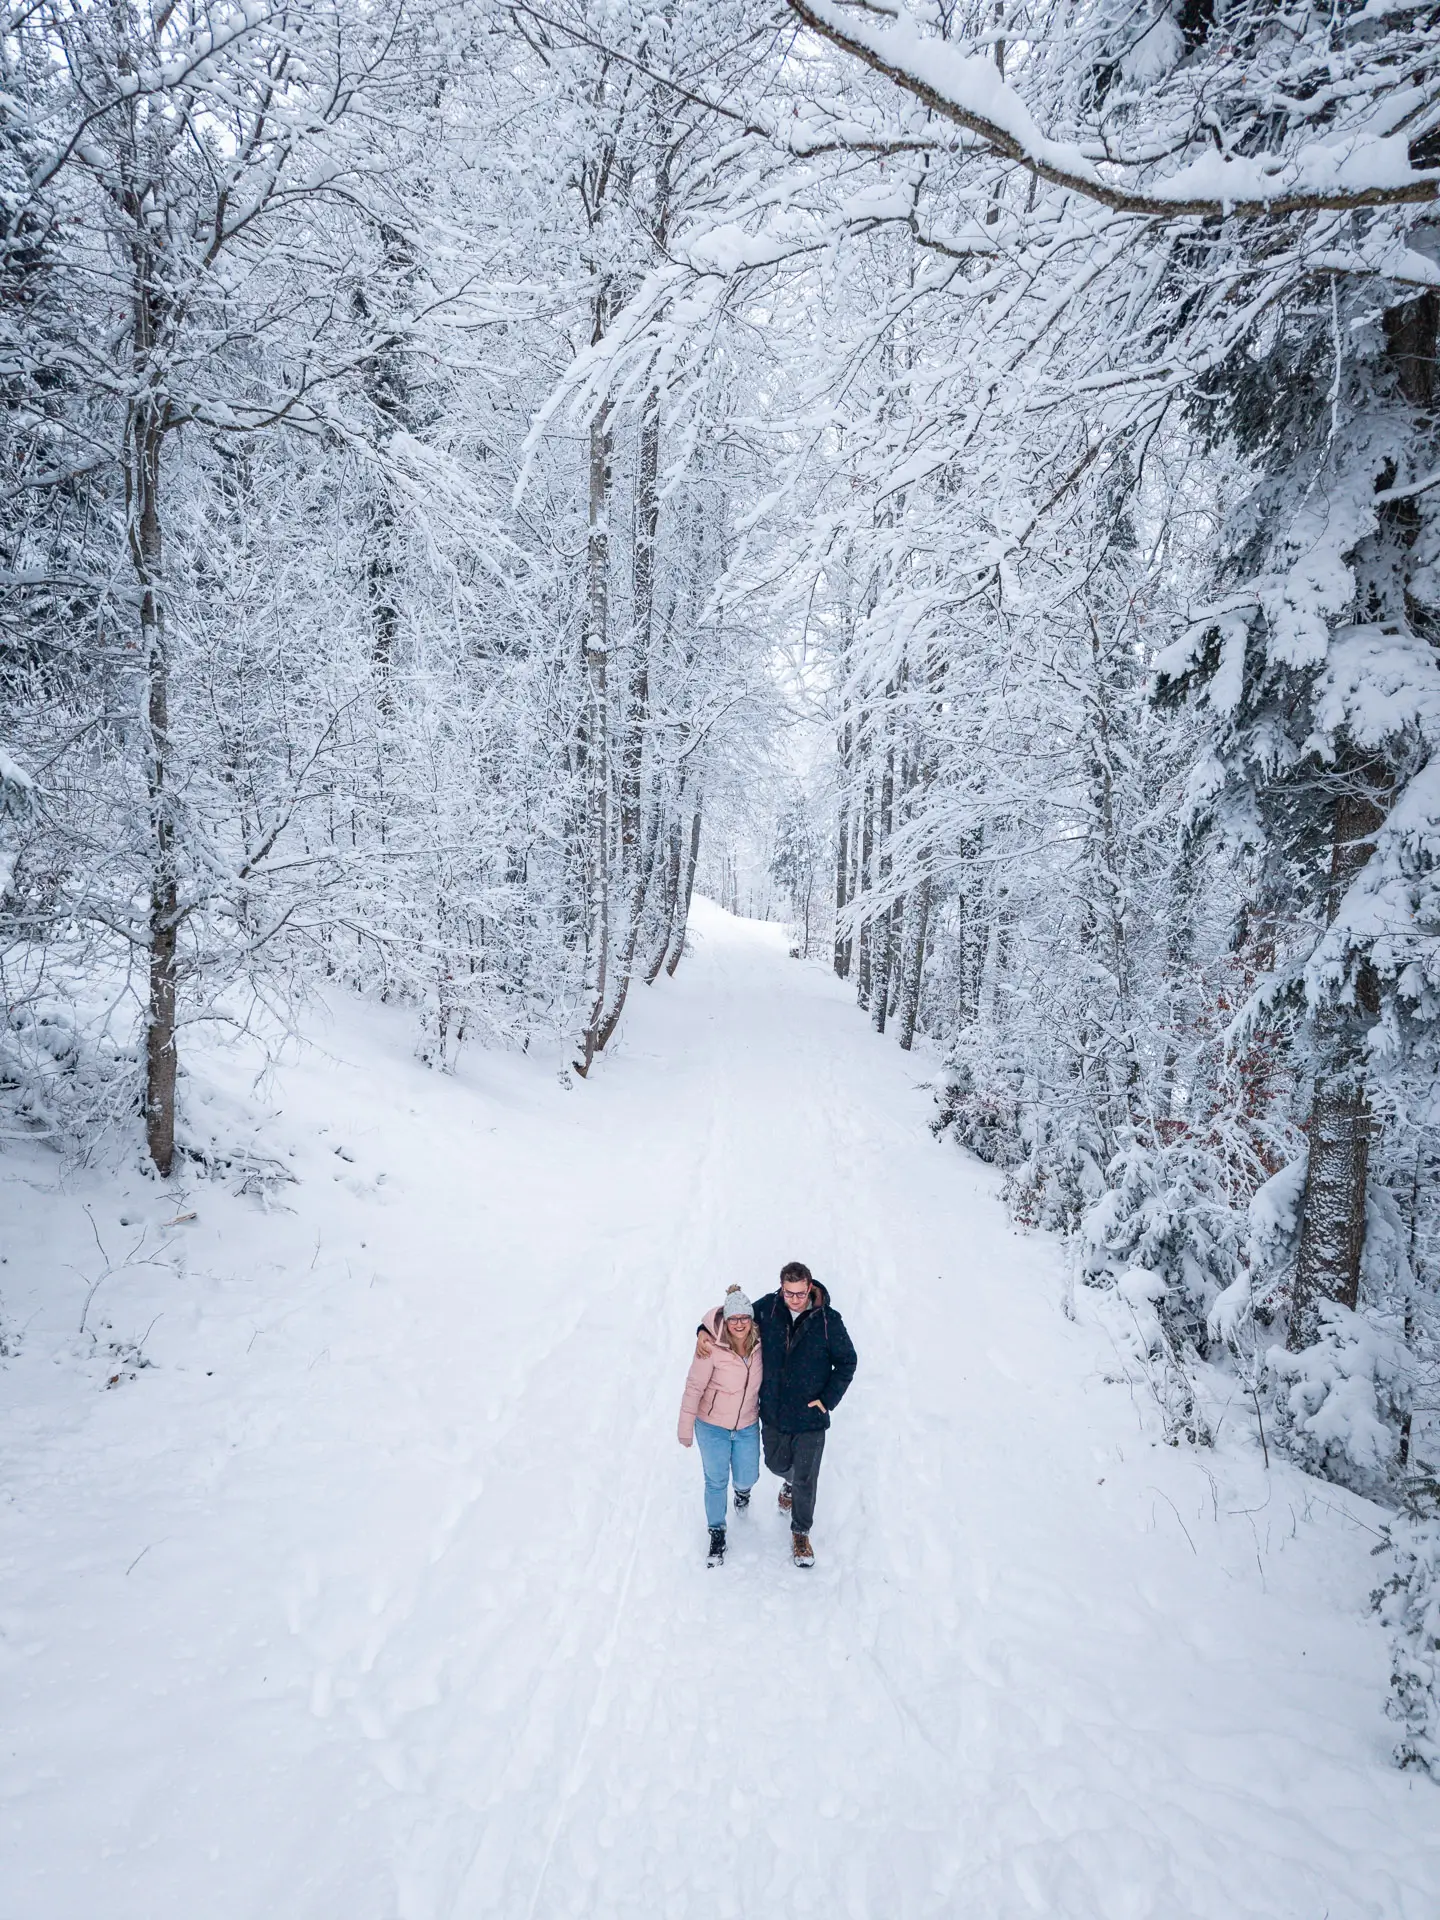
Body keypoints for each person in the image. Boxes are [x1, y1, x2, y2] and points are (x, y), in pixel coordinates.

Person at [697, 1260, 857, 1569]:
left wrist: (827, 1399)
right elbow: (734, 1318)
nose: (794, 1300)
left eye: (800, 1293)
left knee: (807, 1477)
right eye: (788, 1293)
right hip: (775, 1412)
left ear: (810, 1288)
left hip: (811, 1417)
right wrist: (703, 1330)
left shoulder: (828, 1321)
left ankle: (801, 1533)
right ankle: (789, 1483)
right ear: (781, 1288)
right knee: (776, 1463)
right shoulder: (769, 1309)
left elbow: (847, 1361)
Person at [677, 1285, 763, 1567]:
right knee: (715, 1481)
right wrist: (685, 1427)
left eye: (744, 1318)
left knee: (748, 1475)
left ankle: (742, 1492)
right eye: (733, 1318)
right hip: (711, 1425)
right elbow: (694, 1387)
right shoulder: (710, 1347)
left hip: (747, 1423)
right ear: (725, 1320)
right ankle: (717, 1532)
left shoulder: (762, 1343)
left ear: (751, 1319)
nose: (739, 1324)